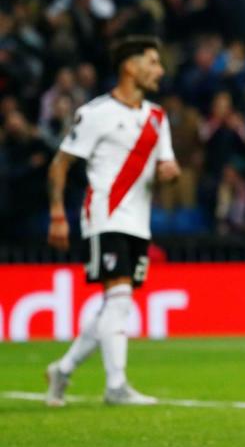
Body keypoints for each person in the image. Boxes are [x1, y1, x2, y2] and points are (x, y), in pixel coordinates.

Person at [45, 36, 180, 407]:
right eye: (152, 62)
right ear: (129, 66)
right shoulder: (95, 113)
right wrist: (58, 213)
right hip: (104, 215)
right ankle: (116, 385)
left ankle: (64, 368)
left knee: (115, 303)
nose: (160, 70)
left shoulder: (157, 117)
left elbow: (165, 167)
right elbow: (61, 163)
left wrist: (169, 171)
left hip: (139, 221)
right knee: (118, 297)